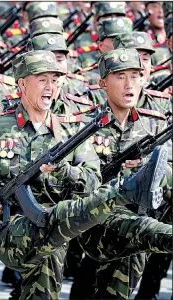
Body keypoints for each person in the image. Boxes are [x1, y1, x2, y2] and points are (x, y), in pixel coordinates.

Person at [0, 49, 169, 300]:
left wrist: (67, 172)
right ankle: (125, 190)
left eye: (54, 80)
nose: (50, 87)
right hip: (12, 230)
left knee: (132, 229)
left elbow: (92, 180)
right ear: (22, 83)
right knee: (53, 230)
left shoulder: (70, 132)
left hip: (58, 230)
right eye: (42, 79)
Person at [69, 48, 172, 300]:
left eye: (136, 76)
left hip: (136, 225)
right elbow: (74, 181)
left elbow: (167, 177)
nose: (129, 84)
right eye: (120, 76)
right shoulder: (82, 124)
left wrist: (151, 173)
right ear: (103, 83)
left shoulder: (155, 123)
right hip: (93, 224)